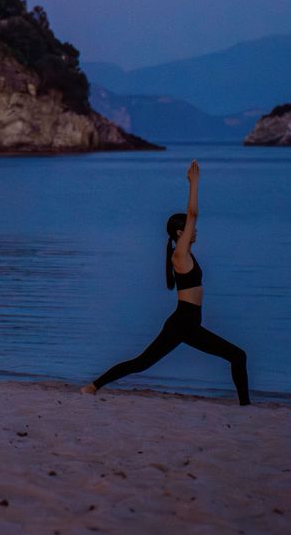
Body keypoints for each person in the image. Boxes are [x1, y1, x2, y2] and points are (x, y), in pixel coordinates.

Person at [80, 160, 251, 405]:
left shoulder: (185, 254)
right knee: (235, 356)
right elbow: (192, 214)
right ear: (180, 235)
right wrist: (194, 184)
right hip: (183, 323)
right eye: (191, 229)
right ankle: (92, 386)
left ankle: (92, 386)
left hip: (188, 323)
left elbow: (192, 219)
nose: (195, 230)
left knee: (234, 356)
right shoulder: (180, 254)